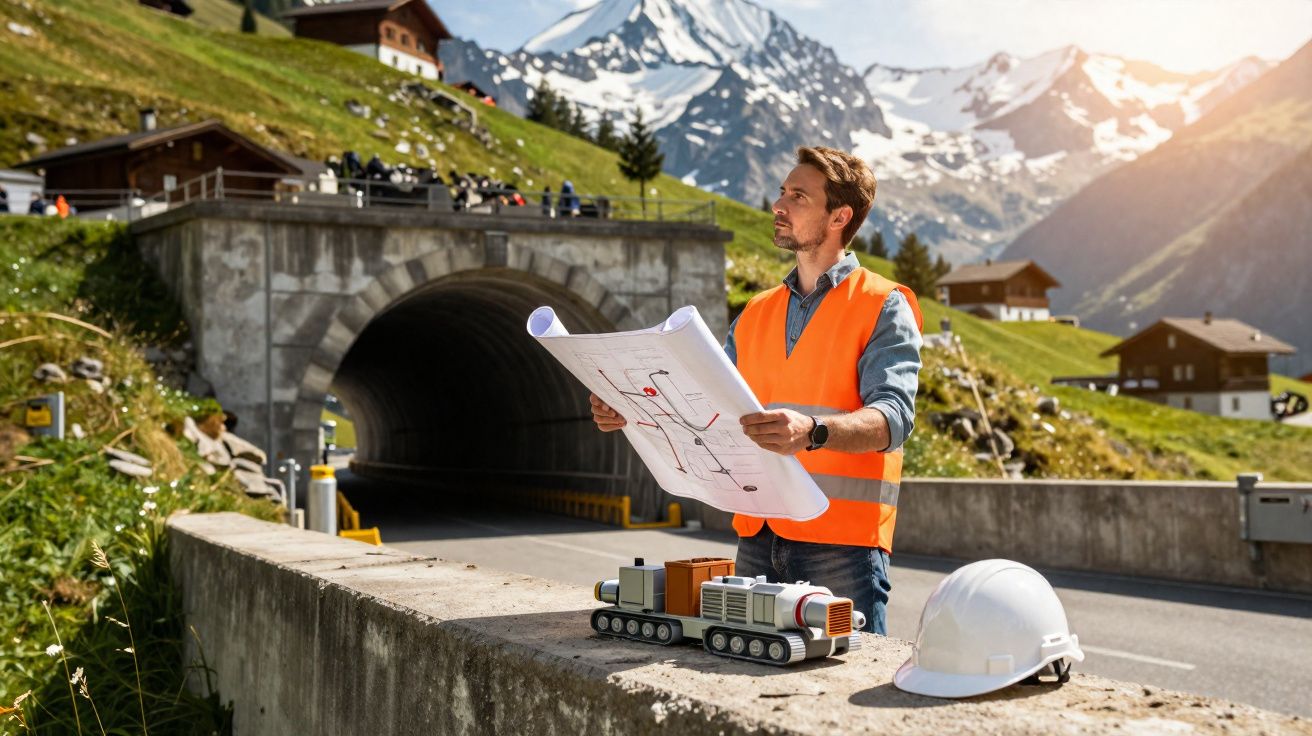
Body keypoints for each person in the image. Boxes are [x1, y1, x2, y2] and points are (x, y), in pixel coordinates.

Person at [589, 146, 923, 635]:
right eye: (781, 192)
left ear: (839, 216)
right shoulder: (755, 313)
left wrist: (813, 431)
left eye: (798, 196)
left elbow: (893, 419)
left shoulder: (882, 304)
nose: (778, 205)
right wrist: (632, 408)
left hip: (842, 545)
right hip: (757, 534)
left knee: (843, 680)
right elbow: (702, 408)